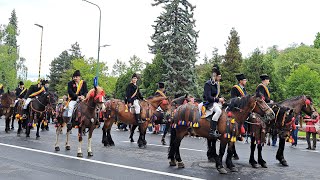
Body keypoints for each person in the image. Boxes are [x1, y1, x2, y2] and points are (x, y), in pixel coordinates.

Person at [203, 64, 224, 137]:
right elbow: (208, 97)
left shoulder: (217, 84)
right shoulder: (208, 84)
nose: (220, 78)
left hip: (216, 102)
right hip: (209, 102)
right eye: (219, 77)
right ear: (216, 76)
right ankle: (212, 130)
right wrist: (218, 99)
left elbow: (218, 94)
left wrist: (222, 100)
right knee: (219, 111)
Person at [230, 73, 247, 159]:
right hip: (236, 109)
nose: (245, 81)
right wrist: (241, 100)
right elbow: (233, 99)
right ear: (240, 81)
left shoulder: (244, 89)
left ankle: (243, 131)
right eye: (244, 80)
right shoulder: (235, 88)